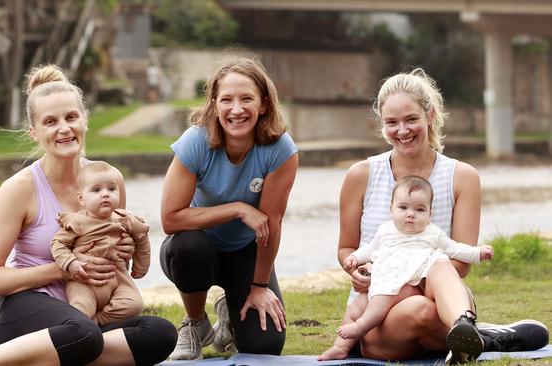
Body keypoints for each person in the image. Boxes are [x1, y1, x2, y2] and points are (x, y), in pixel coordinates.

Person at [318, 68, 548, 364]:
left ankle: (464, 329)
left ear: (430, 115)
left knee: (437, 269)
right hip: (380, 311)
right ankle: (486, 339)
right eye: (392, 122)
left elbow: (461, 264)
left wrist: (413, 277)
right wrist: (357, 272)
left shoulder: (462, 177)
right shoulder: (361, 175)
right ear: (382, 125)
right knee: (419, 309)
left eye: (411, 119)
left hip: (442, 297)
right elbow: (346, 249)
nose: (402, 130)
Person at [0, 64, 176, 366]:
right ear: (34, 132)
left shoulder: (107, 180)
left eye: (71, 117)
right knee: (82, 335)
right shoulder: (19, 189)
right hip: (28, 305)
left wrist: (125, 251)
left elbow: (112, 259)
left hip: (88, 309)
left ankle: (6, 361)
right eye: (50, 121)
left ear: (85, 120)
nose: (64, 128)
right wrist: (63, 270)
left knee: (160, 333)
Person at [159, 56, 299, 360]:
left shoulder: (280, 150)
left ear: (263, 104)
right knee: (188, 246)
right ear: (214, 104)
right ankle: (196, 323)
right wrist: (236, 208)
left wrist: (260, 286)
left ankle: (229, 314)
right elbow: (170, 219)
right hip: (196, 247)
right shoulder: (195, 142)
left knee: (265, 347)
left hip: (246, 251)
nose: (236, 109)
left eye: (246, 98)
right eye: (227, 100)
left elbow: (271, 223)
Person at [321, 175, 494, 361]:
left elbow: (455, 249)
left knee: (441, 262)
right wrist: (354, 258)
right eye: (403, 208)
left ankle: (463, 327)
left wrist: (478, 253)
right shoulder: (385, 231)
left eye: (420, 209)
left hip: (414, 282)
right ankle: (341, 346)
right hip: (384, 283)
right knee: (357, 308)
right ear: (391, 209)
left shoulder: (433, 233)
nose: (411, 214)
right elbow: (369, 249)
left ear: (429, 214)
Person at [51, 161, 150, 326]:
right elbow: (58, 243)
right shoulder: (78, 222)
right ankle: (81, 327)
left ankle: (96, 322)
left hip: (118, 277)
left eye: (111, 189)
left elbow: (142, 237)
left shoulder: (125, 219)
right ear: (81, 198)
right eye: (96, 190)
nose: (105, 194)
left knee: (134, 305)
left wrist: (141, 266)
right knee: (80, 309)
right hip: (84, 281)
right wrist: (71, 263)